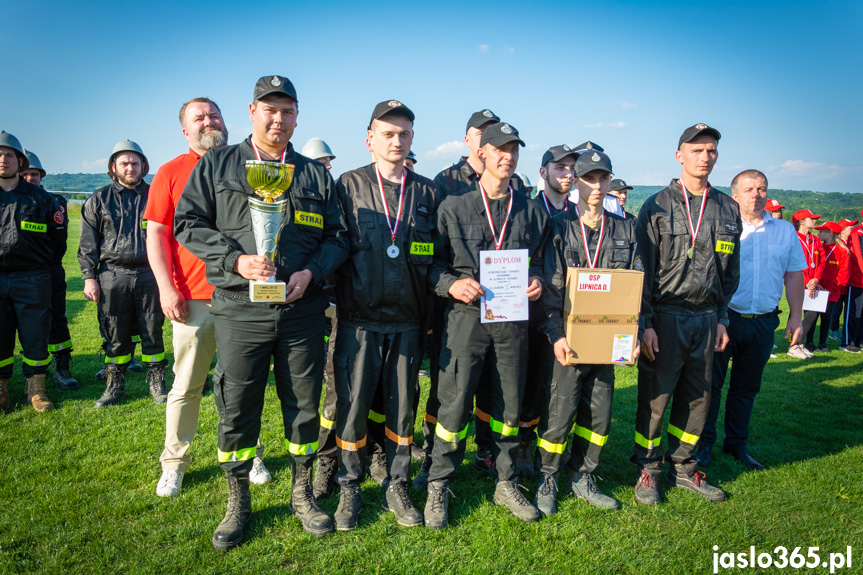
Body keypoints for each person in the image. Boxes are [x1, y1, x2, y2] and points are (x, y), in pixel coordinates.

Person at [174, 75, 349, 549]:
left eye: (288, 110)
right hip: (239, 306)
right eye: (270, 110)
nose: (279, 119)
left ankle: (301, 494)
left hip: (301, 311)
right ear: (252, 112)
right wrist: (235, 260)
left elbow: (338, 238)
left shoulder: (315, 174)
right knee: (237, 404)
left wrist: (311, 273)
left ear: (297, 115)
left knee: (305, 404)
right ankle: (238, 502)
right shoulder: (219, 164)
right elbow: (186, 223)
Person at [423, 122, 550, 528]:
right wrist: (451, 283)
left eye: (513, 149)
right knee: (454, 403)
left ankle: (506, 480)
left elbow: (546, 261)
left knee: (508, 405)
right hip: (465, 320)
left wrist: (539, 281)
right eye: (499, 148)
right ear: (482, 153)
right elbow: (429, 264)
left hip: (511, 324)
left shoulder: (532, 211)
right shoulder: (453, 207)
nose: (507, 156)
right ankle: (439, 484)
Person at [146, 97, 272, 497]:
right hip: (194, 298)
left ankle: (248, 453)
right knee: (186, 384)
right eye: (198, 118)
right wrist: (167, 288)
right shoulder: (170, 172)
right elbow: (157, 235)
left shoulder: (251, 166)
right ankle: (174, 462)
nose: (208, 121)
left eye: (213, 114)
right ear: (185, 130)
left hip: (244, 296)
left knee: (243, 383)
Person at [331, 99, 437, 530]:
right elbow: (334, 246)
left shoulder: (430, 192)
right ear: (369, 138)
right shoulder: (348, 185)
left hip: (409, 323)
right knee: (352, 407)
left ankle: (397, 483)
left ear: (413, 138)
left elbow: (443, 259)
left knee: (403, 408)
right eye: (387, 134)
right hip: (358, 321)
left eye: (404, 134)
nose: (396, 141)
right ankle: (349, 485)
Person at [633, 123, 740, 505]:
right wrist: (644, 322)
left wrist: (723, 317)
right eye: (696, 150)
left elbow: (731, 271)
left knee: (699, 398)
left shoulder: (728, 207)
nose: (705, 157)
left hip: (707, 318)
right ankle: (648, 469)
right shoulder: (657, 205)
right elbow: (642, 271)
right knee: (657, 397)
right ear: (679, 155)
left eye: (711, 150)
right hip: (665, 315)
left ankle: (685, 468)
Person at [535, 149, 640, 515]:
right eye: (589, 179)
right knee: (559, 412)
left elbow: (634, 289)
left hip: (608, 341)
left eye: (603, 178)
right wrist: (555, 335)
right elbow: (549, 290)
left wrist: (634, 336)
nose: (597, 186)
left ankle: (583, 474)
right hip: (568, 340)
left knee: (599, 414)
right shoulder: (560, 227)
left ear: (611, 181)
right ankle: (548, 475)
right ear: (575, 182)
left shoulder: (627, 228)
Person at [695, 169, 805, 471]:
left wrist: (796, 316)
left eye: (761, 189)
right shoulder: (723, 227)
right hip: (724, 319)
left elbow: (794, 274)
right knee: (711, 386)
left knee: (746, 388)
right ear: (735, 194)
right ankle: (703, 445)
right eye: (749, 189)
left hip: (763, 321)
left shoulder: (784, 231)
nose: (756, 195)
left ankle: (736, 445)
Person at [78, 140, 167, 408]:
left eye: (135, 163)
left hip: (150, 275)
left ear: (144, 166)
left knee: (153, 330)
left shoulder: (157, 195)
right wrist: (88, 277)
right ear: (113, 167)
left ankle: (157, 383)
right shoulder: (98, 199)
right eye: (124, 163)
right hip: (111, 276)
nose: (130, 167)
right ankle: (115, 386)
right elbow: (87, 243)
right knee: (115, 333)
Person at [516, 144, 579, 479]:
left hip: (563, 312)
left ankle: (553, 444)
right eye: (559, 168)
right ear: (543, 173)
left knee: (554, 383)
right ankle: (524, 444)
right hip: (527, 310)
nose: (566, 174)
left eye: (571, 168)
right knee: (528, 381)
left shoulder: (578, 216)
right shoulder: (527, 210)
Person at [0, 131, 64, 412]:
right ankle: (1, 389)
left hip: (32, 277)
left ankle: (36, 389)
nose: (3, 160)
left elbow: (57, 242)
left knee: (35, 335)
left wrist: (37, 268)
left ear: (20, 161)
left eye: (9, 155)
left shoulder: (41, 199)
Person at [20, 151, 77, 390]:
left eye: (35, 174)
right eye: (25, 174)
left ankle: (61, 368)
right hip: (12, 273)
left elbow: (58, 241)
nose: (30, 178)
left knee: (57, 320)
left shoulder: (55, 201)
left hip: (48, 270)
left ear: (42, 176)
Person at [789, 209, 825, 359]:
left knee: (812, 315)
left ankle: (799, 343)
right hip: (798, 282)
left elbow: (822, 262)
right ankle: (793, 347)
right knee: (796, 313)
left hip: (813, 283)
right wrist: (806, 281)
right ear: (802, 221)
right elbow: (792, 262)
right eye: (812, 218)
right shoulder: (793, 238)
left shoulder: (815, 240)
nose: (815, 221)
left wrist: (816, 280)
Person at [829, 218, 859, 339]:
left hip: (849, 282)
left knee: (847, 307)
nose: (852, 230)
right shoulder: (838, 245)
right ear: (842, 231)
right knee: (837, 308)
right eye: (850, 228)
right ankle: (834, 330)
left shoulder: (851, 242)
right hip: (839, 283)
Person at [841, 214, 863, 353]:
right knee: (854, 311)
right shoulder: (858, 233)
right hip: (856, 279)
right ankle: (847, 342)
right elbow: (860, 256)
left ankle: (859, 340)